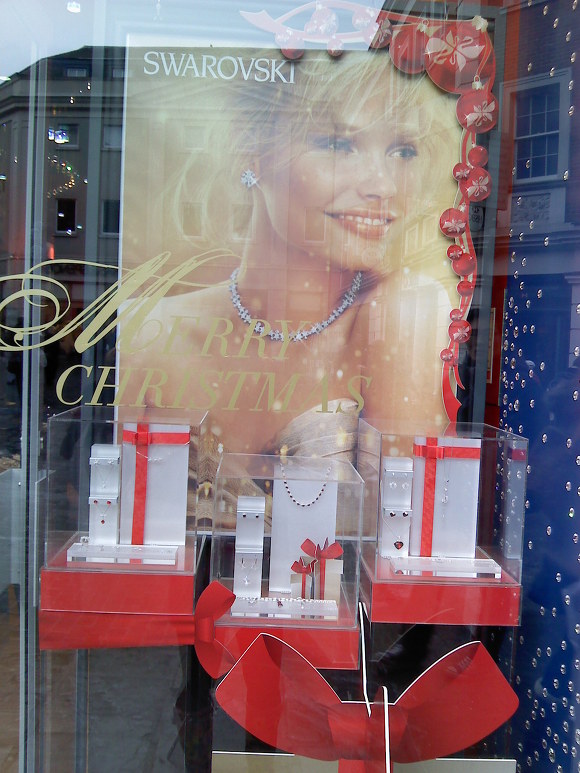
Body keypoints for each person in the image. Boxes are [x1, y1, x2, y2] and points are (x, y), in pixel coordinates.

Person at [119, 48, 462, 516]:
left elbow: (403, 526)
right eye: (338, 145)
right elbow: (120, 518)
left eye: (403, 151)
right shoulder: (149, 331)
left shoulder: (404, 310)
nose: (382, 186)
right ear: (253, 151)